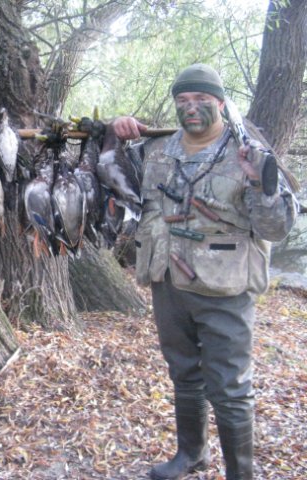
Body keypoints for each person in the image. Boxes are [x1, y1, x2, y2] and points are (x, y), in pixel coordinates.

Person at [112, 64, 297, 480]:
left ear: (220, 103)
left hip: (225, 289)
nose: (191, 107)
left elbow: (277, 229)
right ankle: (192, 454)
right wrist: (116, 127)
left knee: (230, 387)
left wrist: (260, 184)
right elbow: (112, 168)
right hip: (168, 281)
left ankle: (240, 474)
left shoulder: (249, 153)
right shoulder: (156, 149)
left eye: (201, 99)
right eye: (183, 100)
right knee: (184, 373)